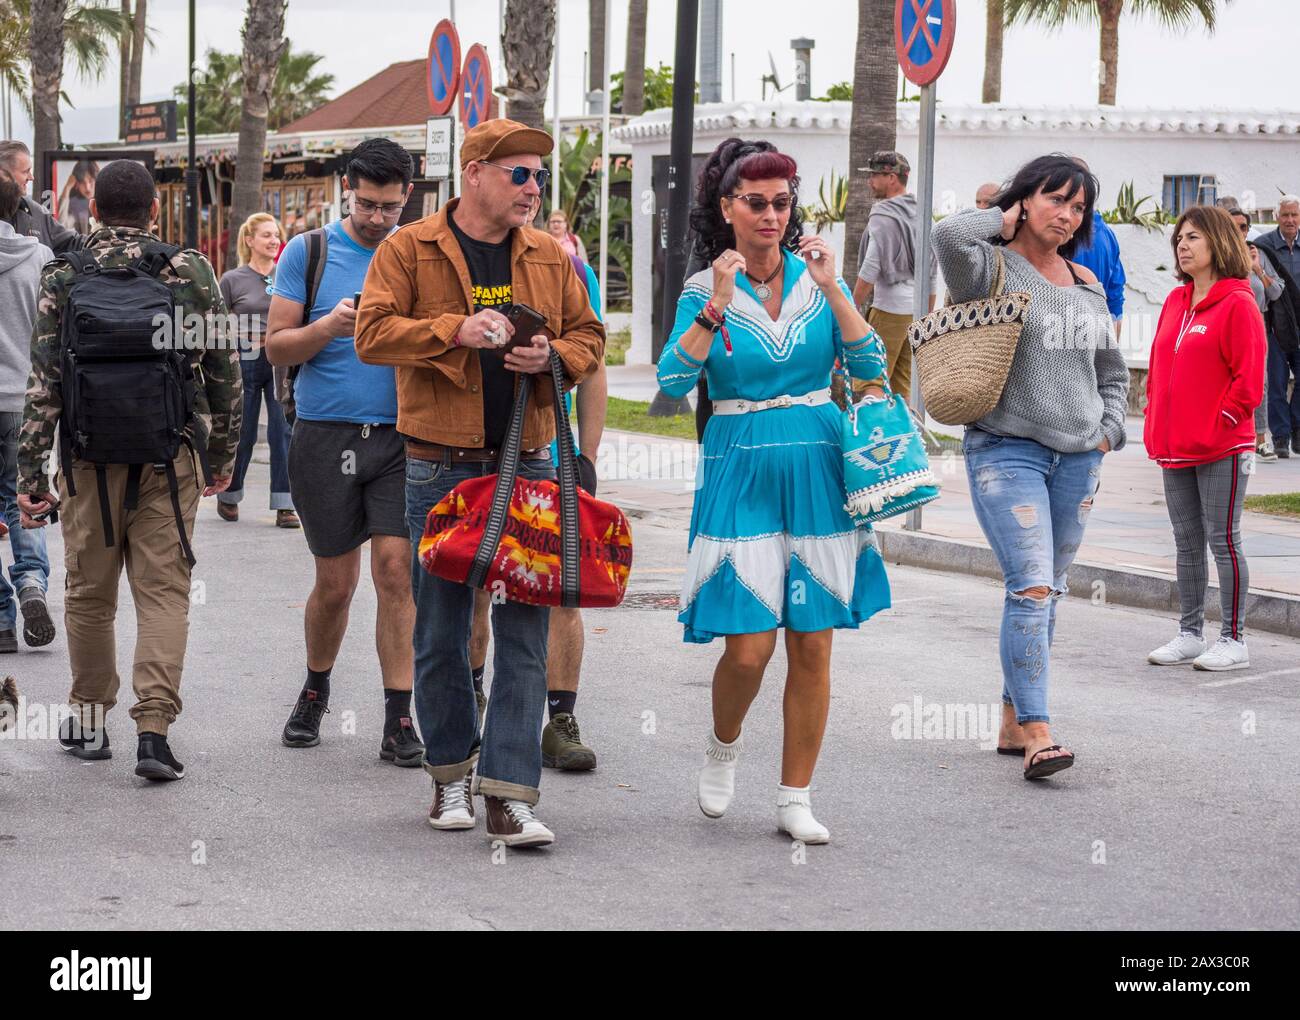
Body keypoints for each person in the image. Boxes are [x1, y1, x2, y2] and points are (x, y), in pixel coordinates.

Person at [355, 118, 605, 848]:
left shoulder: (550, 256)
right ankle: (449, 777)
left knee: (524, 632)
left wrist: (553, 355)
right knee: (438, 630)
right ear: (473, 173)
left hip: (525, 462)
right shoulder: (411, 246)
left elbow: (591, 338)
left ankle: (509, 794)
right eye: (518, 174)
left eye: (538, 177)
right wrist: (452, 333)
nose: (532, 189)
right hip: (439, 466)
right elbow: (371, 334)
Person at [657, 138, 891, 844]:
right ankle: (722, 746)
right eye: (755, 202)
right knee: (750, 647)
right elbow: (671, 383)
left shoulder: (819, 277)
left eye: (781, 202)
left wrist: (830, 288)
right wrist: (716, 307)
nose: (770, 215)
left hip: (819, 464)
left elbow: (870, 362)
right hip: (741, 462)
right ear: (728, 208)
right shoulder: (705, 288)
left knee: (814, 644)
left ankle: (795, 796)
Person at [17, 158, 241, 780]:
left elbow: (45, 384)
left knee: (90, 595)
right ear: (152, 211)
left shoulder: (65, 274)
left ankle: (89, 724)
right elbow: (224, 369)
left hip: (88, 459)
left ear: (94, 212)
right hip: (170, 457)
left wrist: (32, 479)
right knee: (164, 592)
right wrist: (221, 458)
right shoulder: (187, 270)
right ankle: (153, 731)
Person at [932, 154, 1129, 782]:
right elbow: (947, 233)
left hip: (1079, 459)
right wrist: (1002, 214)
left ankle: (1013, 721)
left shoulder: (1088, 285)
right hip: (1004, 450)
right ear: (1024, 201)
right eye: (1056, 200)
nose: (1068, 215)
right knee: (1032, 585)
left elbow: (1112, 373)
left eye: (1078, 208)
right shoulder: (987, 267)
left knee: (1051, 589)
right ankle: (1041, 732)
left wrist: (1109, 433)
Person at [265, 139, 422, 767]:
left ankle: (398, 716)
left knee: (395, 572)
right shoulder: (310, 251)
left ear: (407, 195)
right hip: (325, 435)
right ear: (346, 189)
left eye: (389, 206)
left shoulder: (418, 255)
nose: (378, 218)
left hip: (401, 436)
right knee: (336, 582)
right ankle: (315, 687)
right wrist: (327, 327)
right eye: (367, 205)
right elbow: (276, 347)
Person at [468, 195, 608, 772]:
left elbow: (591, 360)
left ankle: (560, 718)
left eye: (534, 180)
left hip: (546, 450)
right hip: (469, 452)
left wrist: (588, 457)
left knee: (558, 587)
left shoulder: (563, 266)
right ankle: (474, 699)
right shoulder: (454, 259)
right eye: (518, 177)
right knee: (478, 585)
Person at [1145, 205, 1265, 672]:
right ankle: (1189, 634)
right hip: (1175, 446)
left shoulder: (1238, 302)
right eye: (1179, 238)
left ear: (1218, 242)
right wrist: (1157, 413)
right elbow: (1158, 369)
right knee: (1185, 540)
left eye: (1193, 237)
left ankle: (1233, 639)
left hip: (1222, 447)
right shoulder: (1176, 301)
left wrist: (1221, 420)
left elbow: (1249, 379)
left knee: (1223, 540)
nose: (1183, 245)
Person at [0, 173, 55, 653]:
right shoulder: (38, 255)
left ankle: (0, 619)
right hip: (24, 399)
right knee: (25, 497)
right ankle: (32, 582)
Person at [217, 213, 298, 528]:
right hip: (246, 358)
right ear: (249, 240)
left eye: (276, 234)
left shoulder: (287, 275)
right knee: (243, 431)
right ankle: (229, 493)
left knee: (282, 431)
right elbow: (219, 324)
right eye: (266, 235)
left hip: (280, 357)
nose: (274, 240)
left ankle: (284, 505)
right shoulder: (232, 279)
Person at [850, 151, 936, 401]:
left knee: (873, 380)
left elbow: (871, 267)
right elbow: (932, 270)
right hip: (914, 312)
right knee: (901, 387)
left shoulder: (884, 215)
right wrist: (925, 316)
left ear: (892, 177)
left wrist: (852, 305)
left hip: (888, 310)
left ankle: (875, 436)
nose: (870, 181)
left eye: (875, 175)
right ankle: (905, 437)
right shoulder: (922, 213)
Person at [1230, 208, 1284, 461]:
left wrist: (1257, 269)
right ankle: (1234, 437)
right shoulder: (1218, 254)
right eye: (1233, 226)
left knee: (1258, 382)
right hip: (1226, 322)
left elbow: (1276, 292)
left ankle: (1260, 440)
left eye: (1242, 227)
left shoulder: (1258, 254)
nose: (1238, 231)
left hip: (1256, 322)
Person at [1253, 195, 1300, 458]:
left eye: (1294, 215)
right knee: (1277, 382)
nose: (1290, 220)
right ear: (1277, 216)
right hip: (1275, 326)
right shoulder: (1263, 245)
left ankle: (1297, 429)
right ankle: (1280, 437)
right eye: (1286, 215)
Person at [0, 141, 84, 254]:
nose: (31, 177)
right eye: (25, 172)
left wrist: (103, 239)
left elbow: (71, 242)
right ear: (3, 174)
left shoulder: (36, 212)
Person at [1070, 207, 1127, 340]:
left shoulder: (1060, 231)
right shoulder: (1107, 233)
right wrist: (1112, 349)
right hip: (1098, 329)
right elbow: (1115, 296)